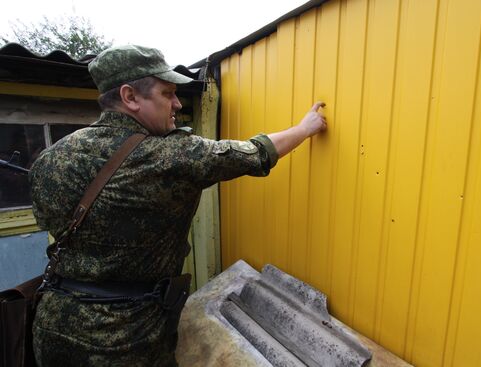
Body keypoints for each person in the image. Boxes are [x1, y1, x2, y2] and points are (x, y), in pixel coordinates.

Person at [29, 44, 327, 367]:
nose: (177, 103)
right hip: (123, 343)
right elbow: (254, 153)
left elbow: (47, 220)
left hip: (52, 327)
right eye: (167, 93)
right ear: (130, 97)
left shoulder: (52, 157)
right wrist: (304, 128)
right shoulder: (169, 155)